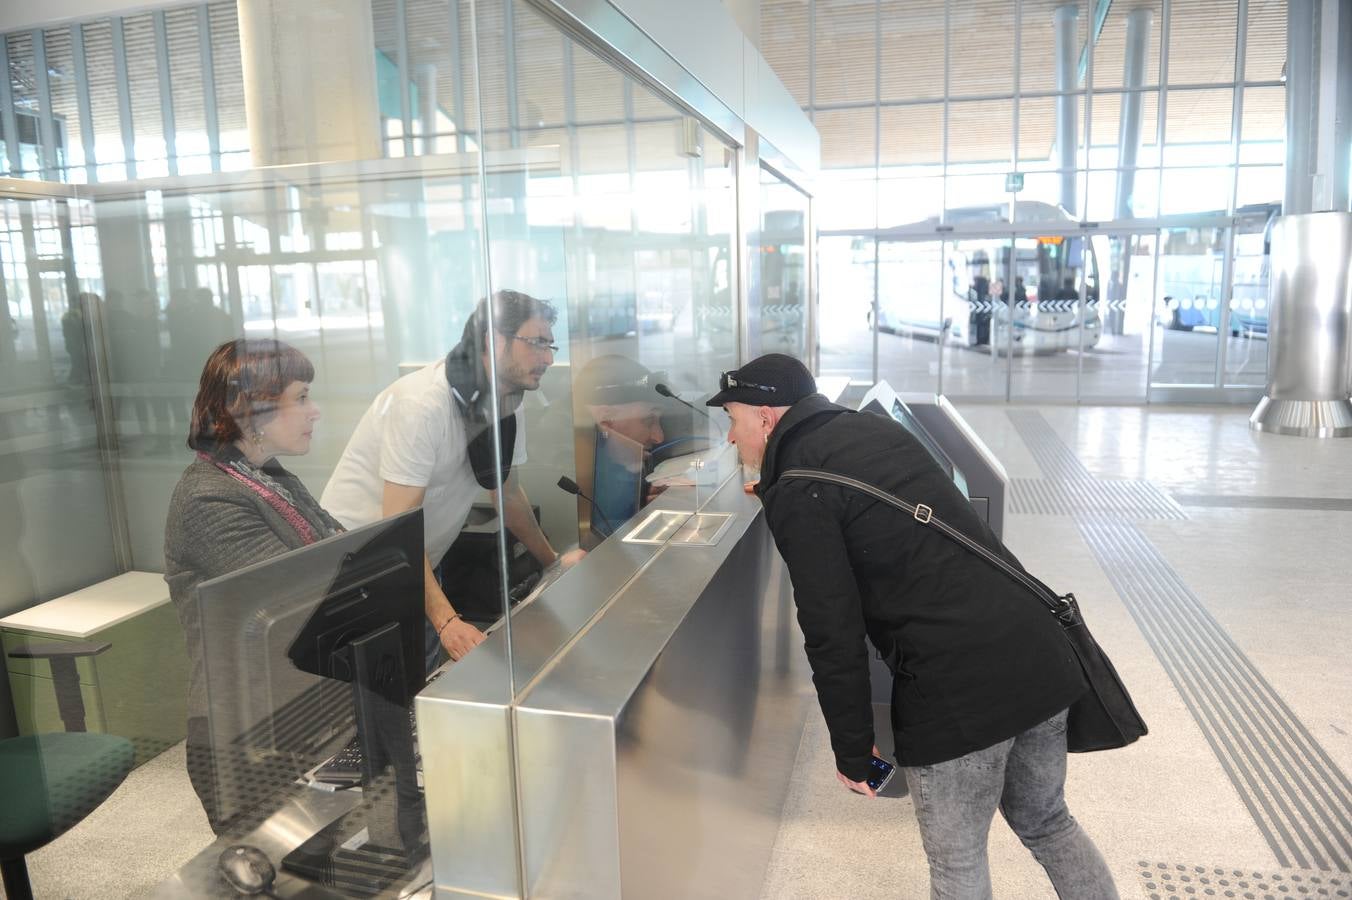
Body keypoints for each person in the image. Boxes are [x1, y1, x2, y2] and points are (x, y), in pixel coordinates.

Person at [706, 353, 1118, 900]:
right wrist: (781, 487)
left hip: (959, 687)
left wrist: (853, 750)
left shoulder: (799, 491)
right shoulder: (868, 429)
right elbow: (873, 505)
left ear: (765, 417)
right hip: (1038, 650)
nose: (731, 438)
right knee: (1047, 821)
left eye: (732, 419)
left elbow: (833, 629)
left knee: (957, 862)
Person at [322, 290, 583, 666]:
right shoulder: (421, 406)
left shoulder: (506, 401)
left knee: (421, 687)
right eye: (537, 343)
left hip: (417, 565)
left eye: (550, 345)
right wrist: (447, 622)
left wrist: (553, 565)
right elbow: (394, 530)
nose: (548, 358)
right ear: (494, 341)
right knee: (374, 703)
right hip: (358, 573)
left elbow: (506, 493)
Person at [163, 338, 342, 832]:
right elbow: (304, 604)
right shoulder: (208, 498)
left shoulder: (269, 476)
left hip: (299, 707)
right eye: (301, 397)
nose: (315, 411)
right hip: (247, 735)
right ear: (253, 409)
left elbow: (341, 552)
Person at [573, 354, 669, 538]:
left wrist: (643, 500)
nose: (659, 437)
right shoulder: (569, 460)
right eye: (648, 421)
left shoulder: (603, 451)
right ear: (606, 420)